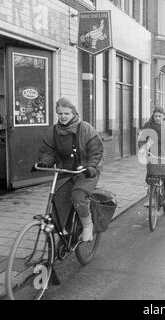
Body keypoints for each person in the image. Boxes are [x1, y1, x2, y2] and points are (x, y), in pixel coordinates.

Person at [35, 98, 104, 241]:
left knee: (78, 196)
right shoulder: (53, 131)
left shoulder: (85, 128)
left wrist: (91, 167)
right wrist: (45, 162)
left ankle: (87, 226)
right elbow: (48, 151)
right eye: (60, 113)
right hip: (65, 171)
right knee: (58, 198)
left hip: (86, 171)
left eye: (66, 113)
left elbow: (96, 151)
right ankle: (63, 232)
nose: (63, 116)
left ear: (74, 113)